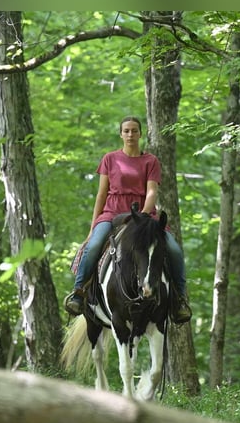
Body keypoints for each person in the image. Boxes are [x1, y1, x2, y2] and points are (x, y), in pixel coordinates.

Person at [64, 116, 192, 324]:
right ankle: (78, 294)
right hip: (112, 212)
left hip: (144, 215)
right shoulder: (109, 159)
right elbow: (101, 194)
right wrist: (93, 225)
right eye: (126, 131)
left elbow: (152, 192)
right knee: (94, 244)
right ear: (121, 134)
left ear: (141, 133)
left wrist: (142, 215)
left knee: (174, 249)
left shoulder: (151, 161)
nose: (130, 134)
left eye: (134, 130)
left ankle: (179, 299)